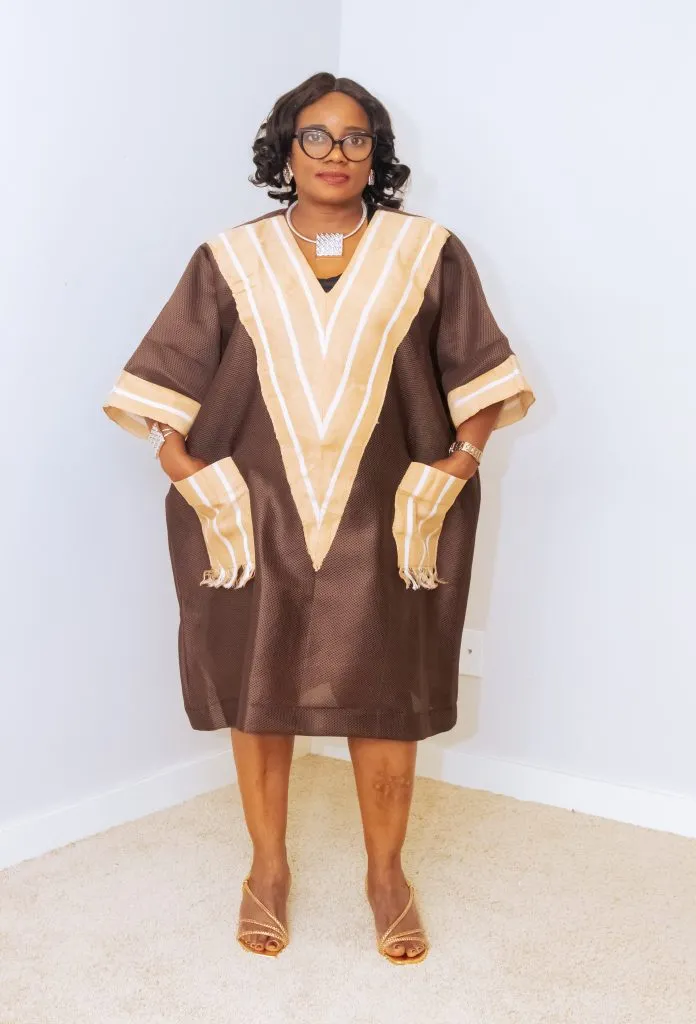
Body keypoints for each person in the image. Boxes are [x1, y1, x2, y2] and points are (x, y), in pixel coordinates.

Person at [103, 71, 535, 963]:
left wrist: (460, 461)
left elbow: (481, 375)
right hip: (252, 515)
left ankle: (387, 876)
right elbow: (162, 380)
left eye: (355, 138)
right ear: (285, 150)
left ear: (377, 154)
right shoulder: (230, 258)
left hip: (391, 516)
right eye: (316, 136)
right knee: (258, 693)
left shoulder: (426, 251)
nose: (336, 153)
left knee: (388, 697)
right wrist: (182, 466)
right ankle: (267, 869)